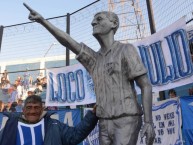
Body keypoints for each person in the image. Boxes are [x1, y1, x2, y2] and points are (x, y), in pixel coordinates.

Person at [24, 3, 155, 145]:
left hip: (126, 118)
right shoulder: (94, 59)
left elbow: (146, 85)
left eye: (99, 19)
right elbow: (68, 42)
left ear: (113, 23)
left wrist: (148, 121)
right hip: (104, 120)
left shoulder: (126, 50)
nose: (93, 22)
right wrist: (43, 21)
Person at [0, 95, 98, 145]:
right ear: (23, 110)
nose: (33, 111)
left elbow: (75, 136)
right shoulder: (10, 126)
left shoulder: (54, 125)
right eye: (29, 107)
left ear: (42, 109)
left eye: (36, 107)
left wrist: (92, 116)